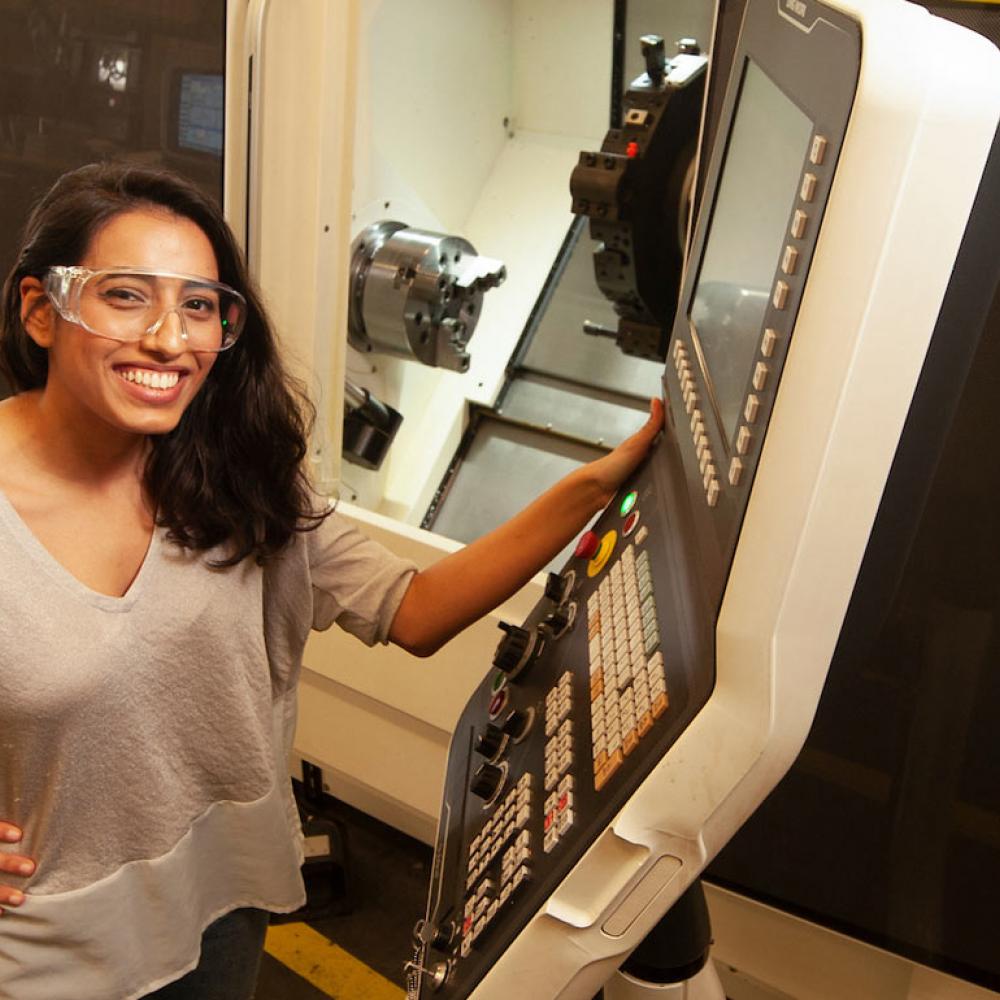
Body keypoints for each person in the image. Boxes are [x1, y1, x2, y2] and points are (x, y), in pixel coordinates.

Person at [0, 162, 663, 999]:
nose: (170, 340)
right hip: (53, 941)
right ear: (40, 311)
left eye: (200, 305)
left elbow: (414, 612)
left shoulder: (239, 481)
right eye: (126, 296)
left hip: (222, 901)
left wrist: (594, 488)